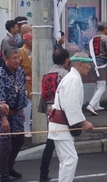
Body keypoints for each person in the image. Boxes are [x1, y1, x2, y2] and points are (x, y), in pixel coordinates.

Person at [48, 52, 94, 182]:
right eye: (87, 64)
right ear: (80, 64)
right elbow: (70, 104)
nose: (89, 67)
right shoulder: (73, 79)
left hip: (60, 124)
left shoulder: (71, 77)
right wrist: (83, 122)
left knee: (66, 160)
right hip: (61, 125)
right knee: (70, 159)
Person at [0, 47, 29, 182]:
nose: (17, 61)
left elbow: (21, 90)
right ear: (6, 59)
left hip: (17, 112)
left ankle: (10, 167)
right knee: (6, 145)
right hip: (3, 114)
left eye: (18, 57)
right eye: (14, 58)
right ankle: (4, 175)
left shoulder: (20, 72)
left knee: (19, 140)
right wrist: (3, 118)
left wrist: (21, 110)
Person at [38, 49, 70, 182]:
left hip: (49, 111)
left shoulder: (47, 73)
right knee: (65, 145)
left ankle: (43, 174)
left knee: (51, 143)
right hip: (61, 112)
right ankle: (66, 176)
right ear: (66, 60)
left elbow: (43, 95)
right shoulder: (65, 74)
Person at [19, 27, 33, 137]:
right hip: (26, 83)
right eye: (30, 38)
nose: (32, 40)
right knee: (27, 107)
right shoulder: (21, 51)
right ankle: (26, 129)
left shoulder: (37, 50)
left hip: (36, 82)